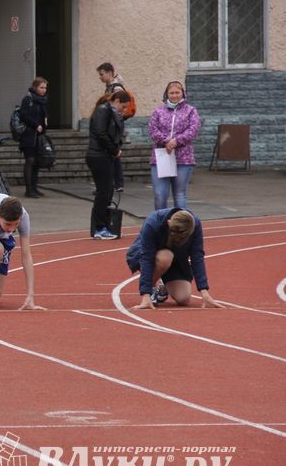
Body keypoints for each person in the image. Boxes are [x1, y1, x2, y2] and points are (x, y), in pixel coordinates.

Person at [126, 208, 223, 309]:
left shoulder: (195, 225)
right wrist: (146, 294)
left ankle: (163, 287)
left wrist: (204, 292)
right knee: (166, 257)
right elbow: (146, 258)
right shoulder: (153, 223)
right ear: (168, 223)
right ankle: (152, 290)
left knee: (183, 299)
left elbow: (197, 256)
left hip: (176, 260)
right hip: (148, 256)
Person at [147, 81, 200, 210]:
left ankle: (181, 226)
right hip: (161, 157)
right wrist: (166, 141)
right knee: (160, 195)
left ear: (183, 93)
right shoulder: (158, 111)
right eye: (172, 93)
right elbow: (153, 130)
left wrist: (176, 141)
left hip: (183, 158)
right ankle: (161, 224)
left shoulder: (191, 111)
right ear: (167, 94)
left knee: (179, 195)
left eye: (177, 92)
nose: (175, 95)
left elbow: (193, 130)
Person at [86, 89, 131, 240]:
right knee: (104, 191)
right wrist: (114, 149)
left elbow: (112, 133)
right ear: (116, 101)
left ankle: (101, 225)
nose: (124, 110)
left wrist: (115, 148)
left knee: (107, 190)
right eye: (123, 106)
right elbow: (101, 133)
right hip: (99, 155)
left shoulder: (110, 113)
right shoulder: (103, 110)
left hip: (104, 155)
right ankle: (99, 227)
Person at [97, 62, 126, 192]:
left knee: (113, 153)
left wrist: (114, 121)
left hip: (113, 125)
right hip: (111, 124)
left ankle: (117, 183)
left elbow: (120, 107)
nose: (100, 77)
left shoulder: (116, 88)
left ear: (110, 73)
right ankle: (115, 183)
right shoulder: (111, 87)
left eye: (102, 74)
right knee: (112, 153)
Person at [17, 77, 49, 198]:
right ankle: (29, 189)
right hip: (28, 135)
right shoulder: (28, 99)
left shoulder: (43, 100)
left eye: (45, 87)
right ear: (35, 87)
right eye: (41, 87)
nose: (44, 90)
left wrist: (45, 120)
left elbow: (42, 114)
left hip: (39, 135)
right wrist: (36, 125)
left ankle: (35, 188)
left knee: (37, 162)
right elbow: (23, 115)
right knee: (30, 160)